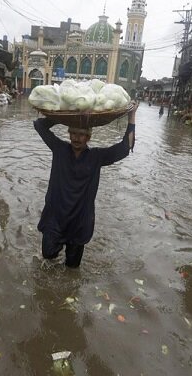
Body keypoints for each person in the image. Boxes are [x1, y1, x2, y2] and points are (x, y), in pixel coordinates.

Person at [33, 102, 138, 268]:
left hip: (80, 219)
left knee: (72, 268)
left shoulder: (97, 157)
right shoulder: (59, 148)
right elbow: (39, 125)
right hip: (55, 216)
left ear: (88, 137)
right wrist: (67, 116)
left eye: (81, 134)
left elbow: (126, 147)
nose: (76, 138)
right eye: (73, 133)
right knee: (48, 256)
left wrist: (131, 117)